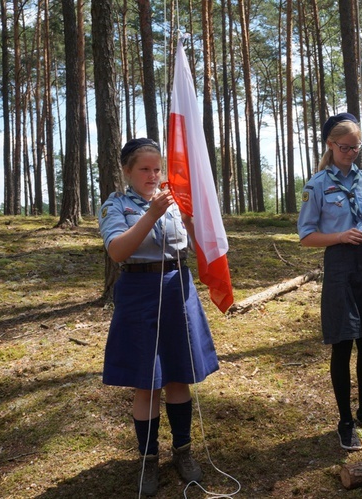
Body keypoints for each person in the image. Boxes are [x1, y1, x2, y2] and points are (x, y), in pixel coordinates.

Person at [99, 138, 219, 496]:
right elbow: (118, 250)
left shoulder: (172, 199)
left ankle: (183, 451)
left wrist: (195, 218)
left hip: (177, 287)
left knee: (179, 374)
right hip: (139, 291)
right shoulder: (115, 205)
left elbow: (200, 245)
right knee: (147, 381)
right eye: (144, 169)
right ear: (127, 171)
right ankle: (148, 459)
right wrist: (151, 214)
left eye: (156, 169)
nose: (152, 176)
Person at [297, 113, 362, 451]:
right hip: (340, 266)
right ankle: (345, 421)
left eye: (356, 148)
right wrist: (338, 236)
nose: (351, 153)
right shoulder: (317, 185)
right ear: (330, 146)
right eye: (345, 147)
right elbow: (306, 236)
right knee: (343, 342)